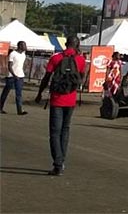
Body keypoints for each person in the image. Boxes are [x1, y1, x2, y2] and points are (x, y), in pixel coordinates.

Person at [35, 36, 86, 176]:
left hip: (57, 99)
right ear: (77, 45)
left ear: (66, 44)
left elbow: (47, 77)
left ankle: (58, 163)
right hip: (71, 99)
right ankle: (61, 160)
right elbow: (82, 77)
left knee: (54, 132)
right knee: (65, 130)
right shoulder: (80, 60)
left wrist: (40, 94)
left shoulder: (56, 58)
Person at [1, 41, 28, 115]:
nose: (25, 47)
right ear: (19, 46)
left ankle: (19, 110)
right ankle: (0, 107)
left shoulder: (23, 54)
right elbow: (9, 66)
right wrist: (14, 75)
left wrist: (22, 72)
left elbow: (21, 65)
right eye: (24, 45)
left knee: (19, 94)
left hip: (20, 76)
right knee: (6, 92)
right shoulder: (13, 54)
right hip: (11, 76)